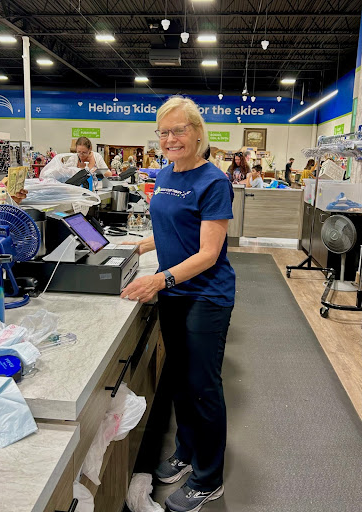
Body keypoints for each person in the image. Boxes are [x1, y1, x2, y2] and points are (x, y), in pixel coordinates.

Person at [120, 95, 235, 512]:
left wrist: (160, 278)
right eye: (163, 132)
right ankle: (187, 452)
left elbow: (207, 253)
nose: (170, 138)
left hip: (205, 296)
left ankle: (209, 478)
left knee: (203, 388)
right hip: (174, 292)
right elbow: (173, 227)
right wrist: (141, 244)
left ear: (197, 133)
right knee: (181, 381)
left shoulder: (213, 181)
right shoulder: (166, 173)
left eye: (179, 130)